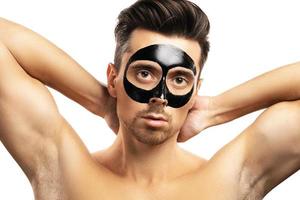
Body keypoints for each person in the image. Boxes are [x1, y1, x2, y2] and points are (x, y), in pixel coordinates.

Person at [0, 0, 299, 199]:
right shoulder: (61, 168)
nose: (160, 97)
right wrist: (101, 100)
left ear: (195, 89)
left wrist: (215, 110)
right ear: (114, 77)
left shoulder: (231, 178)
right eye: (145, 73)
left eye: (180, 79)